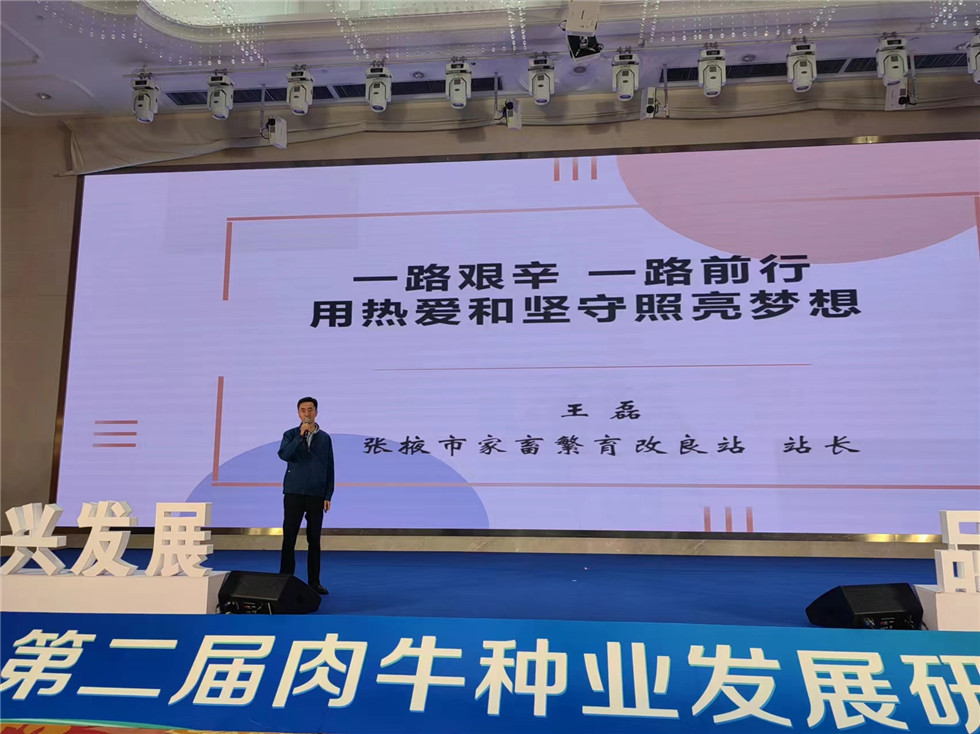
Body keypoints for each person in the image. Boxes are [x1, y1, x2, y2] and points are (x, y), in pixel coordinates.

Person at [277, 396, 334, 595]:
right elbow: (285, 455)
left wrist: (328, 494)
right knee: (289, 537)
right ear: (298, 414)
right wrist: (300, 435)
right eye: (303, 410)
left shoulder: (325, 438)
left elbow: (329, 467)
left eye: (310, 410)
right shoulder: (290, 434)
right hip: (293, 492)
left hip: (316, 494)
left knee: (314, 539)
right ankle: (285, 579)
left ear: (316, 412)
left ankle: (314, 581)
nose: (307, 413)